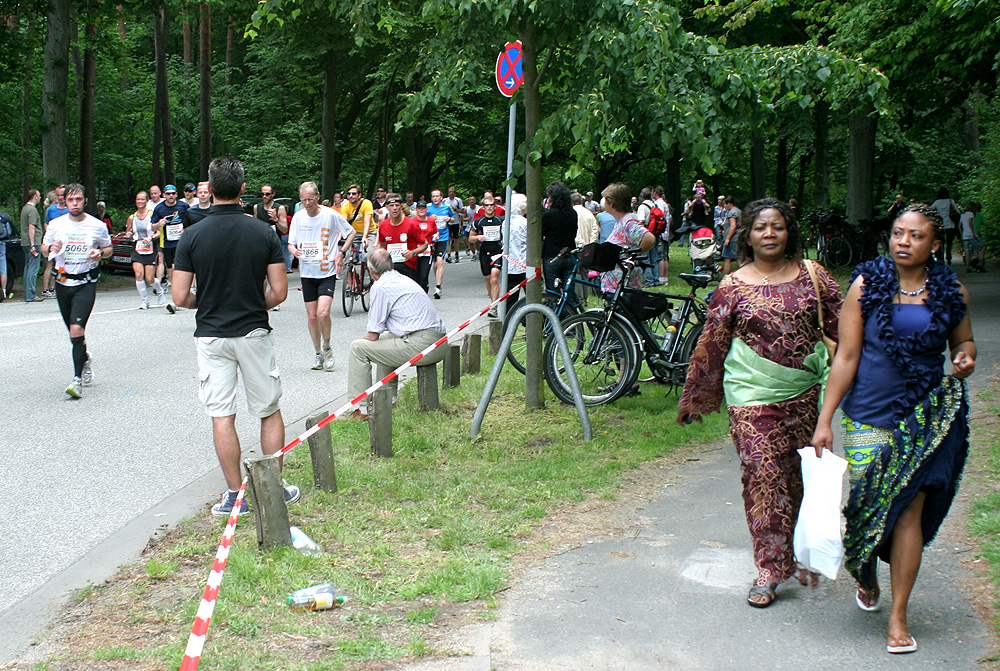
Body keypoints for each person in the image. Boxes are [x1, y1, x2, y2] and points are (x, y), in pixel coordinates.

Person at [811, 203, 975, 655]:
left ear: (935, 244)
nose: (904, 242)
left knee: (908, 510)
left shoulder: (950, 291)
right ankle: (865, 573)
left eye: (916, 235)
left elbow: (963, 340)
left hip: (925, 417)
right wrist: (825, 420)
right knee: (868, 506)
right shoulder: (865, 285)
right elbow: (845, 356)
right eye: (898, 233)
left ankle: (899, 615)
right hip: (868, 412)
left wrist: (965, 355)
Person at [677, 198, 843, 608]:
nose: (770, 234)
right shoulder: (733, 287)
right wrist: (698, 394)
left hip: (806, 395)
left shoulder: (813, 275)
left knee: (801, 477)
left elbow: (844, 329)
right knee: (764, 475)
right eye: (761, 228)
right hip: (751, 398)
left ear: (790, 233)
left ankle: (802, 552)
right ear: (747, 237)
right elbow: (713, 342)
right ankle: (769, 567)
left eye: (778, 227)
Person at [171, 156, 298, 517]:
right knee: (269, 410)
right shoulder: (263, 232)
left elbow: (180, 297)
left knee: (221, 415)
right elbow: (280, 291)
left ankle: (233, 496)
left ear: (209, 191)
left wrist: (208, 301)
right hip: (254, 330)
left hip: (211, 334)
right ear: (244, 190)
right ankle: (273, 487)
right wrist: (253, 302)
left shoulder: (192, 236)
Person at [344, 249, 448, 419]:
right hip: (438, 341)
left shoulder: (380, 286)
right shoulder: (402, 278)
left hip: (422, 344)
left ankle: (361, 409)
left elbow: (373, 334)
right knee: (386, 341)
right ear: (391, 265)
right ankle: (389, 399)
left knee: (358, 348)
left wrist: (361, 341)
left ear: (371, 271)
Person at [41, 183, 113, 398]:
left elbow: (108, 248)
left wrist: (100, 253)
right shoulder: (55, 224)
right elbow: (44, 248)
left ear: (85, 201)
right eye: (70, 200)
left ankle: (77, 380)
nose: (74, 203)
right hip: (63, 283)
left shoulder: (96, 225)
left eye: (78, 199)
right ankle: (84, 357)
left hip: (86, 283)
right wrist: (50, 249)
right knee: (74, 334)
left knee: (76, 329)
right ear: (65, 201)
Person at [288, 181, 356, 371]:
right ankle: (318, 353)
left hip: (326, 271)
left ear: (318, 197)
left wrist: (341, 252)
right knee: (312, 317)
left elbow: (351, 232)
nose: (307, 203)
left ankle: (327, 346)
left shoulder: (331, 214)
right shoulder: (298, 217)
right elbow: (291, 244)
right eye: (303, 200)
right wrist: (294, 251)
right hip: (307, 272)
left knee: (323, 313)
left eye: (310, 199)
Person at [376, 192, 427, 283]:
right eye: (391, 205)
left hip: (408, 265)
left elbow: (424, 244)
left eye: (397, 205)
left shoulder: (411, 224)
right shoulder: (383, 225)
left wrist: (413, 252)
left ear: (401, 206)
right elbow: (381, 244)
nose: (394, 208)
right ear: (387, 207)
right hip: (390, 266)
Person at [152, 184, 189, 307]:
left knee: (178, 267)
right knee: (172, 270)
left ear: (177, 194)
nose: (171, 196)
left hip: (181, 242)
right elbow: (152, 227)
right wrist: (159, 224)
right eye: (168, 194)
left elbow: (191, 220)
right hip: (167, 243)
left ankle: (183, 294)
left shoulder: (183, 206)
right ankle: (177, 297)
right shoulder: (159, 208)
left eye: (173, 193)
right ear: (164, 195)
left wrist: (186, 229)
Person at [125, 191, 161, 309]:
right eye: (138, 199)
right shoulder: (132, 217)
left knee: (149, 278)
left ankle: (159, 290)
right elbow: (129, 232)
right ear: (136, 201)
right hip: (137, 248)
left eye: (142, 199)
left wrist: (150, 237)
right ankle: (145, 301)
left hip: (150, 248)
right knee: (139, 274)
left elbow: (159, 232)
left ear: (146, 201)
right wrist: (128, 235)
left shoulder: (152, 215)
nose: (140, 201)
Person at [541, 181, 578, 297]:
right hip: (570, 254)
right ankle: (569, 314)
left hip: (552, 255)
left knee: (553, 292)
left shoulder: (549, 215)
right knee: (568, 291)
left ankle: (554, 313)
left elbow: (541, 233)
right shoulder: (573, 214)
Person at [469, 196, 504, 305]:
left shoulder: (501, 220)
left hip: (497, 252)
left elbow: (508, 235)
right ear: (483, 207)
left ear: (495, 206)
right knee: (488, 279)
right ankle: (492, 300)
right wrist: (478, 237)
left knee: (494, 279)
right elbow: (470, 238)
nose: (489, 207)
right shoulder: (478, 221)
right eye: (487, 205)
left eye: (491, 205)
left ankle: (494, 306)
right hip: (484, 253)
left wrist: (505, 245)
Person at [253, 185, 290, 273]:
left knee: (275, 271)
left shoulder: (279, 208)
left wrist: (275, 219)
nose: (264, 196)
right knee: (261, 272)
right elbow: (255, 227)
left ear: (273, 194)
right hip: (261, 243)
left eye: (267, 194)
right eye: (262, 194)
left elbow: (284, 229)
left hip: (275, 243)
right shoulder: (257, 207)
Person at [426, 189, 456, 297]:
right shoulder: (428, 207)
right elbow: (421, 219)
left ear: (441, 197)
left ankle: (438, 287)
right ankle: (438, 280)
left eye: (437, 196)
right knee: (435, 265)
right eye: (433, 196)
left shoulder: (447, 207)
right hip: (431, 239)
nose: (435, 198)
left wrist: (449, 219)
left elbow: (453, 218)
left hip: (443, 238)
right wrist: (429, 218)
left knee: (439, 262)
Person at [41, 184, 68, 298]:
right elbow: (46, 223)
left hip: (67, 241)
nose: (60, 197)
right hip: (54, 241)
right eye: (58, 195)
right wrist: (50, 234)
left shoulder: (70, 209)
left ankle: (57, 287)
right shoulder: (51, 209)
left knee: (63, 264)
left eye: (62, 195)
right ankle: (45, 289)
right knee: (50, 264)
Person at [20, 189, 44, 302]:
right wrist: (33, 244)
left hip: (25, 242)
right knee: (33, 269)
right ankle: (31, 294)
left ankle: (28, 293)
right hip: (33, 242)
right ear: (34, 196)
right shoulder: (32, 210)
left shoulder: (25, 208)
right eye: (39, 195)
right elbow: (31, 227)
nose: (40, 197)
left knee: (28, 267)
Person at [341, 184, 376, 258]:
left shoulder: (366, 203)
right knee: (345, 255)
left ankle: (369, 268)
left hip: (369, 232)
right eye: (349, 194)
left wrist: (365, 237)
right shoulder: (345, 206)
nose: (351, 196)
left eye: (354, 194)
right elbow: (344, 224)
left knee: (367, 255)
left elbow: (367, 222)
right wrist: (339, 238)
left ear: (359, 195)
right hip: (354, 233)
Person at [931, 187, 960, 265]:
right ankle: (949, 256)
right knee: (949, 242)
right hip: (950, 225)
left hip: (940, 225)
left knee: (941, 242)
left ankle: (941, 258)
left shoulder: (937, 202)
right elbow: (957, 211)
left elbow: (930, 210)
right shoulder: (950, 201)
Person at [411, 200, 435, 292]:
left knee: (424, 276)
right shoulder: (411, 221)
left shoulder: (431, 221)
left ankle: (424, 294)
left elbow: (435, 231)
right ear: (416, 210)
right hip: (415, 251)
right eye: (419, 208)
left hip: (427, 252)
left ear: (426, 210)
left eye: (423, 208)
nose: (421, 210)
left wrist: (436, 236)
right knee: (416, 276)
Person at [960, 202, 986, 272]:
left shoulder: (963, 215)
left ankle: (968, 266)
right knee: (983, 245)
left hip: (965, 235)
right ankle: (981, 261)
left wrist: (962, 233)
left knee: (968, 250)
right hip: (971, 235)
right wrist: (973, 233)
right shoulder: (971, 214)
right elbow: (970, 224)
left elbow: (959, 226)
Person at [721, 196, 741, 275]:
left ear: (730, 204)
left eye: (725, 204)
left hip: (733, 239)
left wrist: (728, 238)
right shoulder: (739, 211)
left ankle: (726, 278)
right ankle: (745, 277)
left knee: (727, 259)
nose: (724, 206)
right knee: (739, 258)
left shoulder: (732, 212)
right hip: (738, 237)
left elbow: (733, 226)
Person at [444, 186, 464, 262]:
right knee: (448, 239)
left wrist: (455, 209)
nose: (451, 193)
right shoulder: (445, 200)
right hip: (447, 222)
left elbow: (462, 211)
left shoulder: (458, 200)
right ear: (448, 193)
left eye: (453, 192)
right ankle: (448, 255)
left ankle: (456, 254)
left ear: (454, 193)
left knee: (456, 239)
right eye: (450, 192)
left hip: (455, 221)